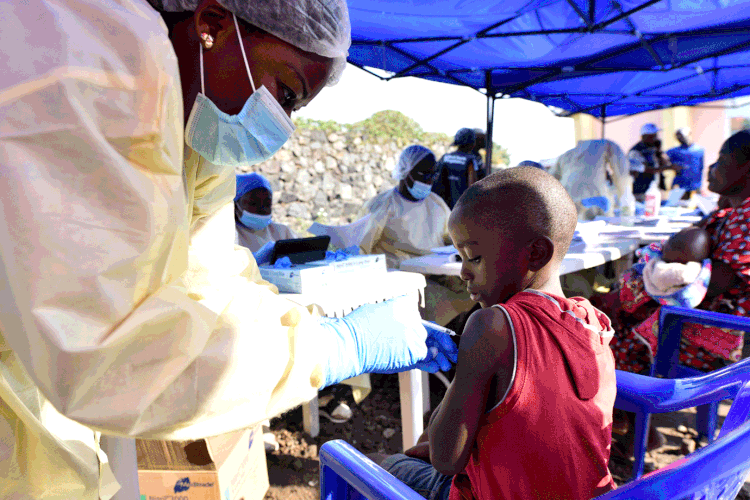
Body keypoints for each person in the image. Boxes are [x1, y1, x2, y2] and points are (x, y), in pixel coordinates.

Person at [0, 2, 458, 498]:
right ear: (212, 24)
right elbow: (102, 345)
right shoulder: (95, 61)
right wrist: (333, 347)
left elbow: (213, 278)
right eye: (285, 92)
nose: (281, 125)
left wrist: (312, 328)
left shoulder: (193, 128)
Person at [374, 167, 617, 500]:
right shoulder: (597, 324)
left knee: (385, 466)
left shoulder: (493, 325)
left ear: (536, 254)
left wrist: (439, 426)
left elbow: (446, 459)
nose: (462, 272)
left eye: (473, 257)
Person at [592, 130, 750, 448]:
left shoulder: (746, 218)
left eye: (720, 159)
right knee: (608, 305)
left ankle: (630, 423)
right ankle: (629, 419)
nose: (711, 167)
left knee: (603, 332)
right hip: (703, 320)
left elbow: (709, 283)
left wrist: (644, 283)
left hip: (713, 334)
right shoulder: (735, 212)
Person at [358, 145, 475, 326]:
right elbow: (359, 248)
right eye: (423, 175)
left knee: (474, 293)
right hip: (402, 279)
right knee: (441, 304)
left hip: (437, 274)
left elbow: (452, 240)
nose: (429, 181)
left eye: (432, 175)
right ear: (405, 171)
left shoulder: (437, 204)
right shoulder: (383, 206)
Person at [549, 139, 632, 220]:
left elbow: (548, 181)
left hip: (571, 205)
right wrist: (627, 205)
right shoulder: (606, 144)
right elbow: (622, 175)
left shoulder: (566, 155)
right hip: (594, 203)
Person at [234, 172, 297, 252]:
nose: (262, 208)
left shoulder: (282, 232)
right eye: (253, 203)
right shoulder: (227, 234)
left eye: (267, 204)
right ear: (236, 205)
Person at [432, 128, 482, 209]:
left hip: (440, 207)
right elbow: (472, 187)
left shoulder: (445, 157)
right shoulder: (470, 161)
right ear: (472, 143)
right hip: (459, 211)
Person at [630, 123, 676, 197]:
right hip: (641, 192)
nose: (656, 138)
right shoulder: (636, 151)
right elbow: (647, 170)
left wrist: (659, 151)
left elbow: (665, 163)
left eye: (655, 135)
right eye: (652, 136)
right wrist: (670, 168)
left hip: (654, 190)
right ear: (644, 136)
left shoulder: (653, 149)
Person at [667, 127, 706, 198]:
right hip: (680, 185)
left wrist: (701, 185)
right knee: (679, 205)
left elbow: (701, 167)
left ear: (689, 135)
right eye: (679, 137)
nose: (681, 139)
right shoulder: (673, 151)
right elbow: (663, 161)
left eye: (683, 136)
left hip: (695, 185)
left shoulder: (699, 150)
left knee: (698, 206)